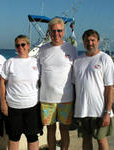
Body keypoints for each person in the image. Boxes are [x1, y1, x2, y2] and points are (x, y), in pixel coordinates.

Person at [73, 29, 114, 150]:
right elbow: (75, 86)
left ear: (98, 41)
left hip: (100, 111)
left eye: (92, 40)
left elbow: (109, 88)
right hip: (82, 110)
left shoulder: (105, 59)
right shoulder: (77, 61)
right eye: (87, 40)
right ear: (83, 42)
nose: (90, 43)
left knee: (102, 141)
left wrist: (107, 112)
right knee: (86, 141)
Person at [38, 17, 77, 150]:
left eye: (59, 31)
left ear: (64, 31)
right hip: (46, 99)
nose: (56, 34)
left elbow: (77, 73)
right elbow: (37, 73)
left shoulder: (71, 49)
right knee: (50, 130)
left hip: (66, 98)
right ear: (49, 32)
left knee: (65, 130)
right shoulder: (42, 50)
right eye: (53, 31)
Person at [0, 35, 43, 150]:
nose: (20, 47)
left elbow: (43, 82)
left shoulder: (36, 62)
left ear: (28, 46)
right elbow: (2, 81)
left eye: (23, 44)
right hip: (13, 107)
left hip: (32, 106)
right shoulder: (10, 62)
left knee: (32, 137)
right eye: (17, 45)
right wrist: (3, 103)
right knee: (14, 137)